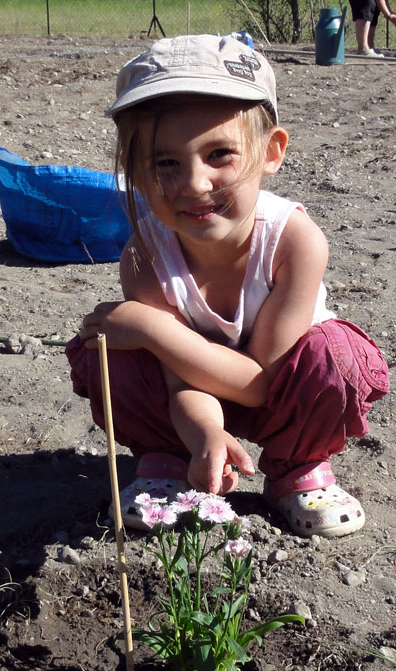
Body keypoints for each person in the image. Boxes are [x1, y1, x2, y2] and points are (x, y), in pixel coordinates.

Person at [65, 34, 389, 538]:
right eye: (164, 162)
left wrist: (153, 327)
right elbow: (179, 378)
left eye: (219, 154)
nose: (194, 184)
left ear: (270, 152)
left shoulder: (296, 242)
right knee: (112, 347)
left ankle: (293, 470)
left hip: (284, 392)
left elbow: (261, 384)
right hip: (191, 401)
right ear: (135, 171)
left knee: (337, 355)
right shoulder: (143, 255)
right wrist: (206, 435)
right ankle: (168, 462)